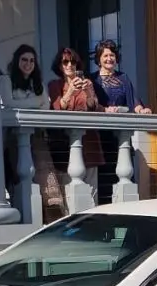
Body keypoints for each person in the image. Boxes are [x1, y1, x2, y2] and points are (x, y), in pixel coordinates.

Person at [1, 44, 65, 222]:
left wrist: (30, 102)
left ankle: (52, 217)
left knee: (46, 175)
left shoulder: (37, 83)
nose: (28, 64)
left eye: (31, 60)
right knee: (21, 175)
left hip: (37, 136)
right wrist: (34, 101)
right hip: (15, 137)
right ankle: (25, 217)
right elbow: (8, 103)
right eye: (24, 60)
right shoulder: (6, 80)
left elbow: (45, 106)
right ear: (17, 61)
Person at [89, 39, 151, 204]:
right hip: (100, 135)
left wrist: (141, 110)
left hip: (120, 135)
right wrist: (104, 109)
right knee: (103, 176)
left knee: (122, 172)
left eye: (112, 55)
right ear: (99, 58)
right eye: (105, 55)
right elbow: (90, 103)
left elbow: (134, 101)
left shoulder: (123, 78)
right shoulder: (92, 80)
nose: (109, 58)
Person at [47, 47, 104, 201]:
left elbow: (94, 107)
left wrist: (89, 93)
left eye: (73, 62)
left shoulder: (88, 83)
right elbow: (56, 107)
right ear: (60, 65)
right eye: (65, 62)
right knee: (68, 192)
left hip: (89, 141)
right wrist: (71, 90)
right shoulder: (54, 85)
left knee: (92, 193)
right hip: (65, 144)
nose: (69, 65)